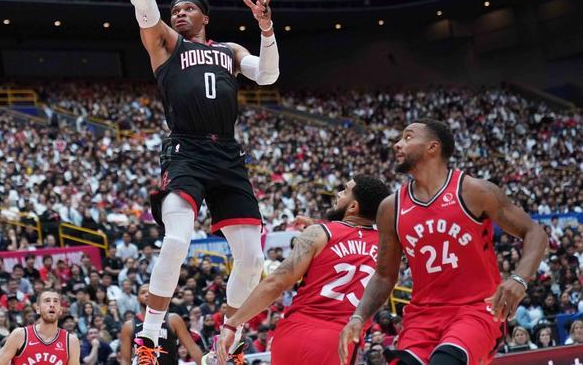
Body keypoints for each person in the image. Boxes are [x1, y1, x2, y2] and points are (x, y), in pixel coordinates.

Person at [101, 0, 280, 365]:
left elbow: (268, 75)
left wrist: (266, 30)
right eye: (174, 8)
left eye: (187, 8)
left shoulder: (229, 51)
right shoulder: (164, 43)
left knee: (252, 259)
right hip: (186, 150)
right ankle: (149, 335)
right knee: (177, 239)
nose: (178, 11)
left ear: (204, 16)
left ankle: (229, 338)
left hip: (229, 156)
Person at [339, 118, 548, 365]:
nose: (397, 144)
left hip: (475, 312)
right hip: (421, 319)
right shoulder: (391, 208)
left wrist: (519, 279)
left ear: (432, 147)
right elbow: (384, 276)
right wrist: (358, 317)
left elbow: (535, 232)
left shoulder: (474, 191)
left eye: (407, 137)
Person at [217, 176, 389, 365]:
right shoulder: (388, 245)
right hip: (339, 341)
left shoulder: (319, 234)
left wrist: (232, 324)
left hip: (293, 334)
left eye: (345, 191)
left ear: (353, 207)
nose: (338, 194)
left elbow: (275, 284)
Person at [120, 284, 203, 365]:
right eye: (143, 292)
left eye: (150, 292)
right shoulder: (129, 326)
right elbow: (125, 360)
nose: (147, 294)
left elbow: (192, 348)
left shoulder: (173, 319)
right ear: (137, 299)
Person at [0, 289, 80, 365]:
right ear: (38, 309)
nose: (52, 304)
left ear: (60, 310)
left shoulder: (71, 341)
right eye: (47, 301)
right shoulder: (20, 335)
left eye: (56, 301)